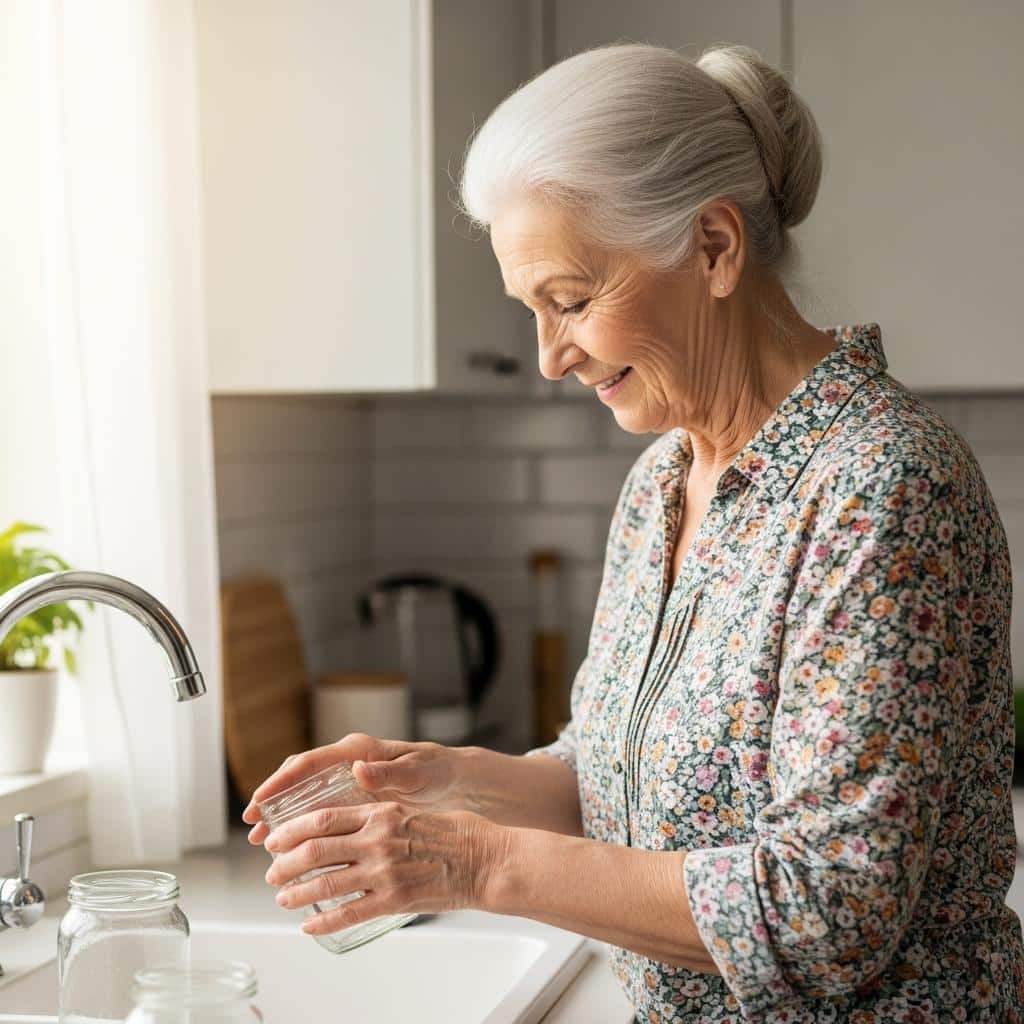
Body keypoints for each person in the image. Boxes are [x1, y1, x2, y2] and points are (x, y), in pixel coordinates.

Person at [242, 43, 1024, 1021]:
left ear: (712, 246)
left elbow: (829, 907)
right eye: (531, 311)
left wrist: (477, 863)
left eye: (570, 301)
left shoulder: (882, 488)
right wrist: (447, 783)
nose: (548, 355)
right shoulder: (662, 480)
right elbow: (624, 776)